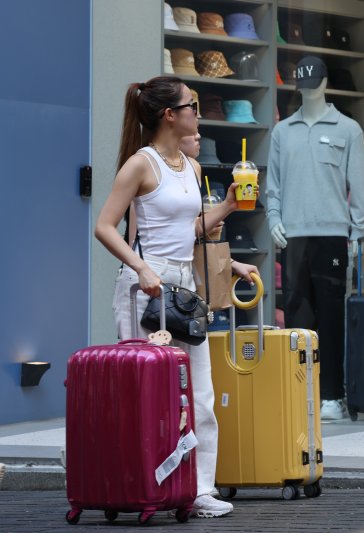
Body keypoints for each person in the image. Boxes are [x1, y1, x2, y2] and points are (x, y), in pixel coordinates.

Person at [94, 76, 259, 518]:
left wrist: (226, 212)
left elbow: (188, 232)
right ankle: (139, 482)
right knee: (144, 392)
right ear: (171, 114)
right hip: (145, 289)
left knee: (199, 393)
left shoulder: (193, 166)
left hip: (184, 287)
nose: (198, 112)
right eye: (193, 104)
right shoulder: (140, 164)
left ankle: (199, 489)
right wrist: (142, 267)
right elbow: (105, 226)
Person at [267, 56, 364, 421]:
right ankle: (298, 391)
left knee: (330, 317)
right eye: (303, 84)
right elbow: (273, 185)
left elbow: (358, 185)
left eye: (313, 82)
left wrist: (357, 233)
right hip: (293, 235)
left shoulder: (348, 129)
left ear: (325, 83)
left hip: (331, 235)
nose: (308, 90)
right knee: (296, 317)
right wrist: (274, 218)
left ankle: (332, 396)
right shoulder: (283, 131)